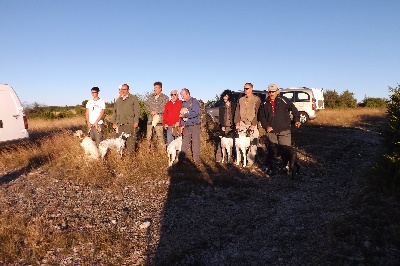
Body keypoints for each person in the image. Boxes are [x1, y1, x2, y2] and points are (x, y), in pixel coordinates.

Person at [258, 84, 301, 173]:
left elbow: (294, 109)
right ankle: (271, 168)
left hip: (284, 130)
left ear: (277, 92)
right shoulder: (264, 103)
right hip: (271, 132)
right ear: (268, 92)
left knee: (285, 150)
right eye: (270, 92)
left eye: (273, 91)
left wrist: (297, 120)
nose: (272, 93)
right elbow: (262, 117)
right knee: (271, 152)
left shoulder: (284, 100)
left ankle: (285, 166)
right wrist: (266, 126)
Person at [234, 83, 261, 167]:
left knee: (253, 142)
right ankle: (239, 159)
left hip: (252, 123)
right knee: (240, 142)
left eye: (247, 88)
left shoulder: (256, 99)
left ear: (252, 89)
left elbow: (258, 112)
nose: (245, 90)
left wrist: (253, 124)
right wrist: (237, 123)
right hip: (242, 123)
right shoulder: (241, 99)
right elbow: (237, 112)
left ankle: (250, 160)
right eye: (244, 88)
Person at [111, 84, 140, 155]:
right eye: (122, 89)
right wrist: (113, 122)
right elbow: (114, 112)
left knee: (131, 142)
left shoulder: (133, 98)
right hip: (120, 124)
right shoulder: (118, 99)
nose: (123, 91)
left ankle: (131, 159)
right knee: (121, 144)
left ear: (128, 90)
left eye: (124, 89)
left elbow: (137, 111)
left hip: (130, 123)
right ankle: (122, 158)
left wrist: (136, 121)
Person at [179, 88, 201, 163]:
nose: (182, 97)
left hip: (194, 125)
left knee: (195, 143)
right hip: (186, 126)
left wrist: (185, 115)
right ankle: (181, 160)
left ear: (188, 94)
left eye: (183, 95)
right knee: (184, 143)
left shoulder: (194, 102)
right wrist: (182, 124)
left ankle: (196, 160)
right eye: (181, 95)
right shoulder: (184, 103)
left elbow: (196, 113)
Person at [145, 81, 169, 148]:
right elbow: (146, 106)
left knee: (160, 137)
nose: (154, 89)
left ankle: (162, 153)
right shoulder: (150, 97)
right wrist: (150, 111)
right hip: (150, 120)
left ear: (160, 88)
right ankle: (148, 152)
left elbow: (165, 107)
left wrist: (156, 112)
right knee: (148, 137)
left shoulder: (165, 98)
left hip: (159, 121)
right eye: (154, 87)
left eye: (156, 87)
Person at [215, 89, 236, 162]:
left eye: (226, 96)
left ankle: (230, 159)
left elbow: (236, 115)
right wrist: (223, 125)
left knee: (232, 143)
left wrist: (236, 124)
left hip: (232, 126)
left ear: (229, 97)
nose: (224, 98)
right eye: (224, 96)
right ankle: (218, 158)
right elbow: (220, 117)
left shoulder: (234, 105)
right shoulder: (222, 106)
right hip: (224, 126)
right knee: (222, 142)